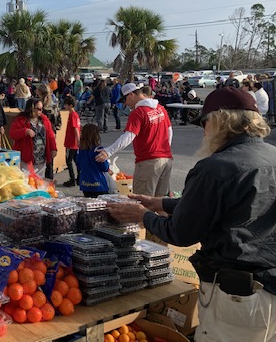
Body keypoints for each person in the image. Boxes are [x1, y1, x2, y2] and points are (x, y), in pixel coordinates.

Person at [107, 87, 276, 342]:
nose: (204, 131)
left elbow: (181, 232)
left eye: (205, 123)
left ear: (220, 120)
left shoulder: (215, 167)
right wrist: (161, 202)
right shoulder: (271, 157)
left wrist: (142, 215)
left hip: (236, 296)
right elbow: (234, 204)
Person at [95, 83, 173, 197]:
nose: (125, 104)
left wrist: (108, 151)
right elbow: (169, 131)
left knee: (142, 202)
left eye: (125, 100)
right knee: (159, 202)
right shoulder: (160, 108)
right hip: (166, 160)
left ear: (131, 94)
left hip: (148, 162)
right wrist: (165, 150)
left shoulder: (138, 113)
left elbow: (128, 137)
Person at [9, 98, 57, 177]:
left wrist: (53, 148)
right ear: (31, 108)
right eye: (38, 109)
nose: (41, 111)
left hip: (41, 158)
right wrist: (25, 131)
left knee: (39, 181)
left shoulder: (44, 120)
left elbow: (50, 135)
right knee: (28, 181)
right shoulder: (21, 120)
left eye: (42, 109)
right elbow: (12, 134)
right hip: (27, 159)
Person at [76, 124, 113, 197]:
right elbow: (104, 167)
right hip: (99, 184)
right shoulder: (98, 150)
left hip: (85, 184)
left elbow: (78, 165)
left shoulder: (80, 150)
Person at [62, 96, 80, 188]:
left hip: (71, 142)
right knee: (76, 161)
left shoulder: (72, 115)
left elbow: (75, 128)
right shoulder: (75, 115)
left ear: (70, 105)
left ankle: (72, 179)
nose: (64, 106)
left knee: (69, 161)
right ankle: (79, 178)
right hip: (74, 142)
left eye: (66, 104)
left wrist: (78, 139)